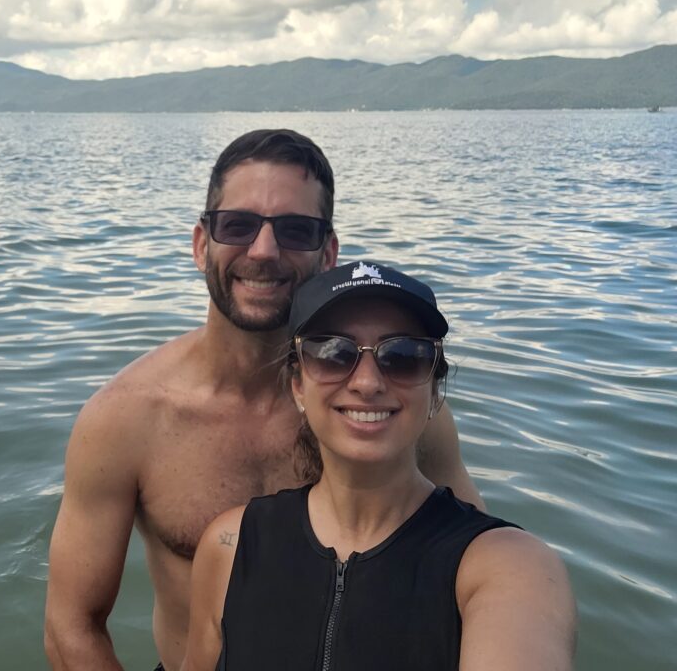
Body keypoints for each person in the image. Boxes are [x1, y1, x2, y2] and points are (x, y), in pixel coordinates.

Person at [44, 130, 484, 671]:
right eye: (238, 225)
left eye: (295, 230)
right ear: (202, 243)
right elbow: (72, 626)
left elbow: (474, 572)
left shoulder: (384, 411)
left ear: (329, 255)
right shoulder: (126, 419)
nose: (264, 251)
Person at [182, 261, 576, 671]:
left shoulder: (506, 567)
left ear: (434, 388)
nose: (367, 382)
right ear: (298, 385)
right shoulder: (232, 546)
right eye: (333, 353)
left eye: (403, 355)